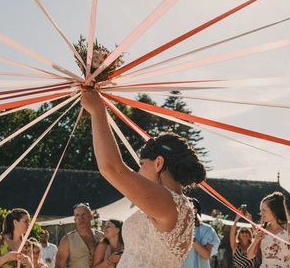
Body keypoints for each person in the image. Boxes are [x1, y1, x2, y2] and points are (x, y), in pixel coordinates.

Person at [81, 87, 206, 268]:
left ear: (158, 163)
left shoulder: (169, 203)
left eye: (141, 165)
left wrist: (98, 110)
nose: (138, 172)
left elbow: (112, 168)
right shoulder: (176, 206)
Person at [246, 192, 290, 268]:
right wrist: (256, 240)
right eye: (261, 210)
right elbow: (250, 256)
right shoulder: (262, 229)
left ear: (274, 210)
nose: (261, 213)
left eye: (264, 210)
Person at [55, 204, 103, 268]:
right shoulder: (67, 240)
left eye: (84, 214)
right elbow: (59, 266)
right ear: (74, 219)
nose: (80, 218)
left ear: (91, 217)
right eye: (77, 215)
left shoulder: (101, 236)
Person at [183, 198, 220, 268]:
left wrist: (191, 237)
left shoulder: (207, 230)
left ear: (195, 210)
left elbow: (206, 256)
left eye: (186, 207)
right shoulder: (176, 229)